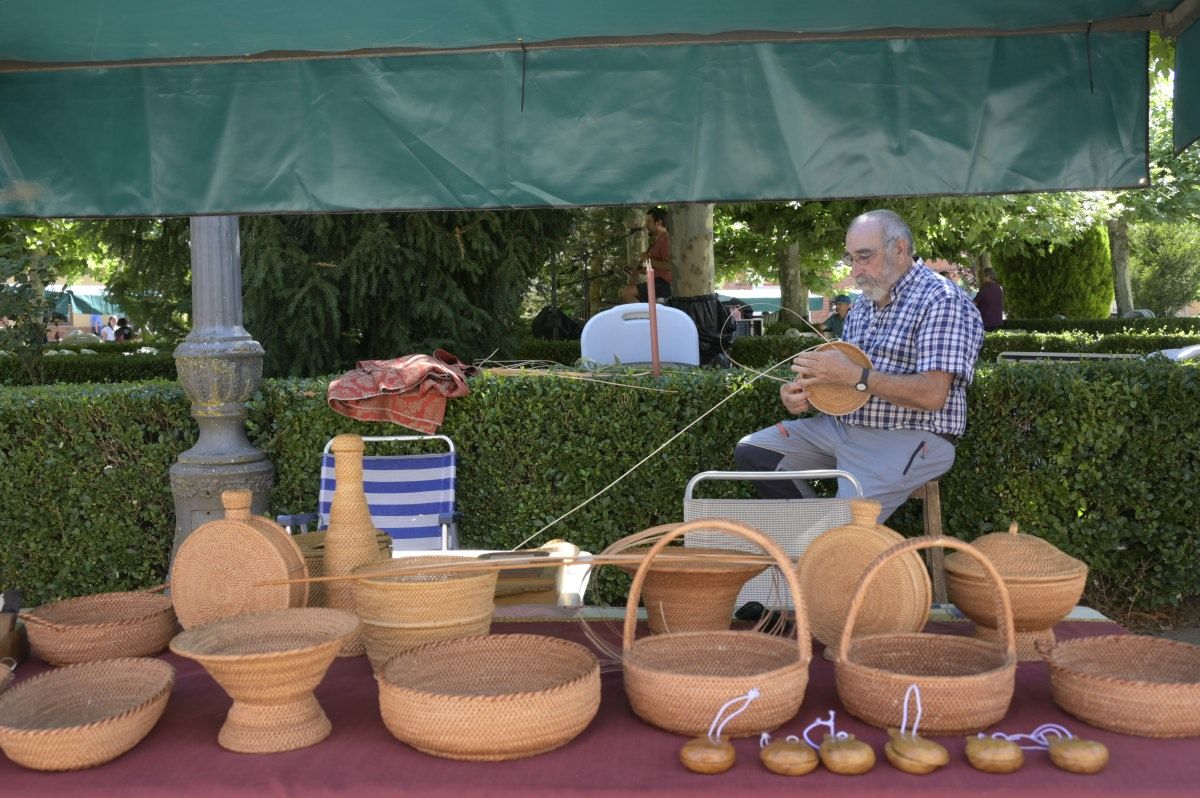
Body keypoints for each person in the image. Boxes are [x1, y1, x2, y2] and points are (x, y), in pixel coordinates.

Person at [733, 209, 984, 522]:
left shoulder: (942, 300)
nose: (856, 271)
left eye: (864, 257)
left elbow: (933, 395)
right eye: (851, 259)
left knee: (840, 535)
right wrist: (805, 394)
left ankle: (825, 544)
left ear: (900, 249)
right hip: (843, 429)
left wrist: (856, 375)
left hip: (912, 435)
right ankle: (813, 538)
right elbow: (847, 386)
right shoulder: (864, 303)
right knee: (754, 452)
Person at [619, 208, 672, 303]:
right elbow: (657, 269)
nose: (646, 225)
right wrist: (637, 270)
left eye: (648, 221)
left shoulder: (666, 239)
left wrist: (648, 259)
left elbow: (669, 266)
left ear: (658, 223)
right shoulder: (656, 241)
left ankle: (646, 316)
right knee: (624, 292)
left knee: (627, 293)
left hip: (665, 285)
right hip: (658, 283)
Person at [974, 267, 1004, 332]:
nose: (983, 278)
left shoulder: (985, 288)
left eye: (984, 276)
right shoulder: (998, 287)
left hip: (986, 321)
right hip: (997, 320)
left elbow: (974, 303)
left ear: (988, 276)